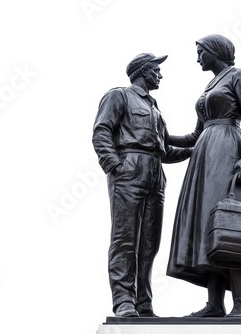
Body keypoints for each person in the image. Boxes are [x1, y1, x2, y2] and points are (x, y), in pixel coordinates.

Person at [166, 34, 241, 318]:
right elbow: (194, 135)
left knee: (229, 219)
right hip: (203, 158)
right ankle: (215, 304)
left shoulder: (239, 76)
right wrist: (162, 136)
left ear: (216, 51)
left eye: (201, 52)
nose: (197, 57)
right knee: (206, 224)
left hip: (228, 151)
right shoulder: (209, 86)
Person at [92, 53, 192, 317]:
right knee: (125, 239)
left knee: (150, 243)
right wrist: (115, 165)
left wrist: (195, 150)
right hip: (129, 170)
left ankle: (143, 303)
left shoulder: (155, 107)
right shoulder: (119, 96)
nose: (160, 74)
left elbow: (163, 150)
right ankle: (124, 301)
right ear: (143, 71)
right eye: (156, 70)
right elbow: (101, 131)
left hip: (155, 174)